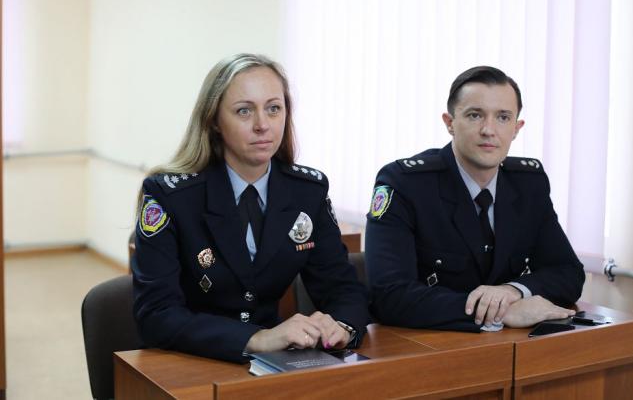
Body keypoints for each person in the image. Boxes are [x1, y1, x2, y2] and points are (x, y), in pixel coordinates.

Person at [132, 54, 368, 363]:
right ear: (214, 121)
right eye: (244, 111)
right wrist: (256, 338)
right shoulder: (170, 195)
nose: (262, 125)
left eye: (273, 109)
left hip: (273, 362)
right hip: (191, 358)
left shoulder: (307, 191)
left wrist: (342, 327)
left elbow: (342, 287)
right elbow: (156, 315)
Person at [365, 65, 585, 332]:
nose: (489, 130)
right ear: (449, 123)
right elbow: (389, 295)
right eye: (475, 115)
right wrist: (500, 312)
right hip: (429, 345)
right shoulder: (406, 184)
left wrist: (513, 291)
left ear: (517, 128)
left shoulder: (528, 184)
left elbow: (568, 272)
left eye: (503, 117)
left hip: (508, 344)